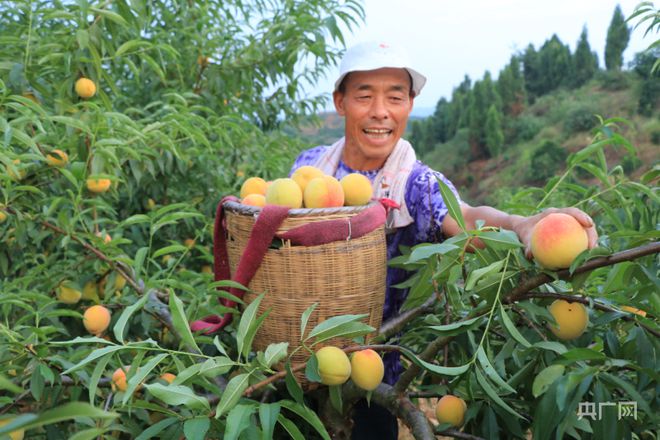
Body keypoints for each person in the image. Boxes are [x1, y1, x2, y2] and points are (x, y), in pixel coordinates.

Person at [289, 41, 598, 439]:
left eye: (395, 97)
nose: (380, 111)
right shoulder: (310, 168)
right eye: (364, 95)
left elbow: (467, 218)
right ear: (340, 101)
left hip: (368, 375)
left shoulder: (415, 184)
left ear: (410, 105)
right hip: (296, 361)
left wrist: (523, 225)